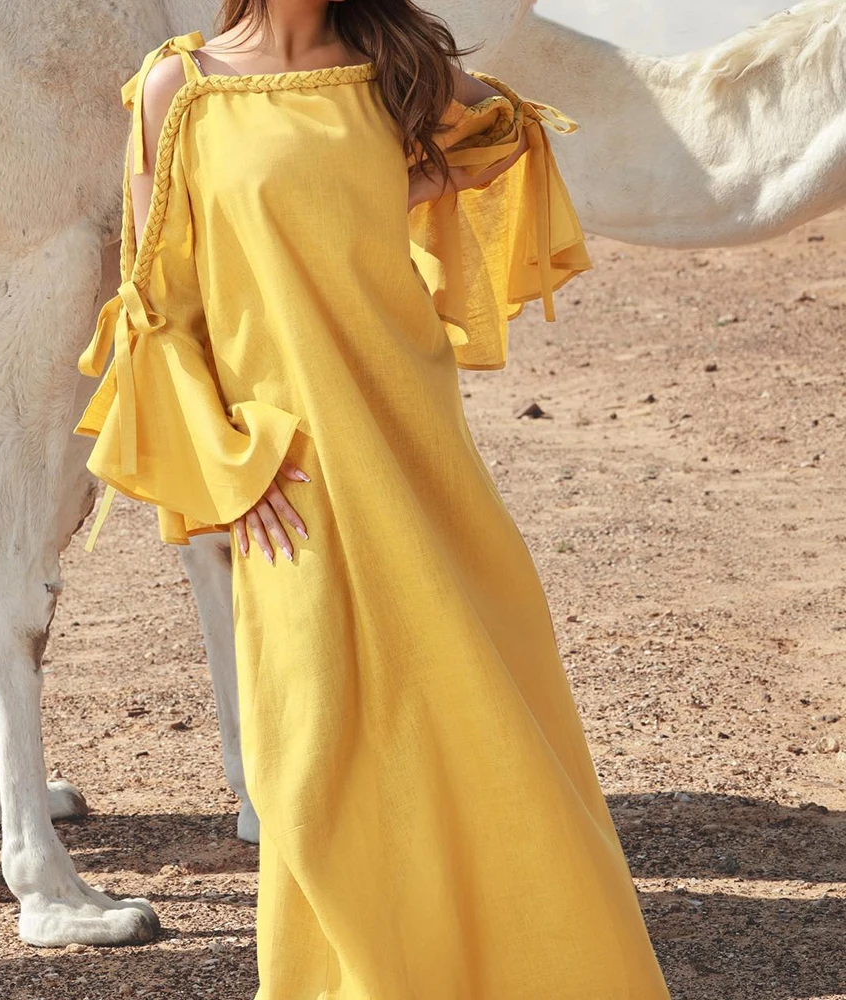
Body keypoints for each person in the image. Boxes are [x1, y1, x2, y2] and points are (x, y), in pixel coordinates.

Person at [76, 1, 671, 996]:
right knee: (308, 770)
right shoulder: (181, 89)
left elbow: (509, 135)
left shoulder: (393, 66)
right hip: (291, 474)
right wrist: (232, 464)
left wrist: (416, 178)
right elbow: (156, 311)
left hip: (415, 451)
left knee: (476, 726)